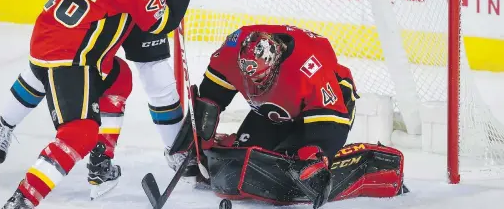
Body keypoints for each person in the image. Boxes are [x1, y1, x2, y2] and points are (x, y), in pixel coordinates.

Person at [0, 0, 220, 207]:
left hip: (54, 37)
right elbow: (162, 22)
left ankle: (101, 162)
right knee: (80, 132)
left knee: (119, 76)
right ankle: (23, 200)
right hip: (72, 57)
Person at [169, 24, 407, 207]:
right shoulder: (232, 51)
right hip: (272, 112)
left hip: (326, 113)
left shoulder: (309, 70)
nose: (252, 84)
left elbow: (329, 124)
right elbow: (210, 98)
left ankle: (367, 163)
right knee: (243, 164)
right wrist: (198, 136)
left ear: (275, 62)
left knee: (297, 170)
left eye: (260, 78)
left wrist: (315, 154)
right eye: (247, 76)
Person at [99, 0, 236, 174]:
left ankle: (177, 150)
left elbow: (172, 0)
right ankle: (5, 123)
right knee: (66, 64)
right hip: (107, 0)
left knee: (160, 83)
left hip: (146, 10)